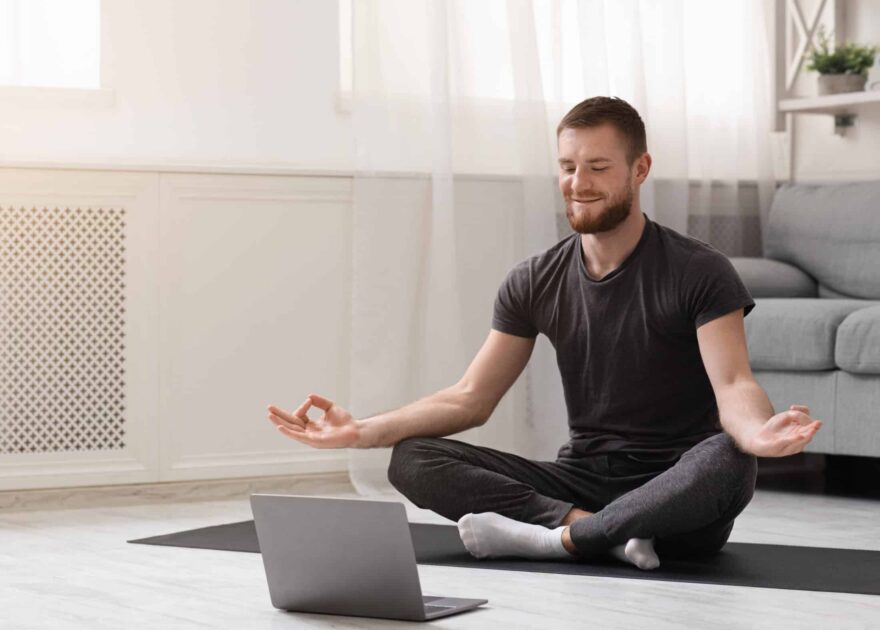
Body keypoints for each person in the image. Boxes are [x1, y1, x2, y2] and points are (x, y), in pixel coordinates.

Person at [266, 96, 822, 571]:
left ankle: (556, 540)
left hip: (672, 490)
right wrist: (362, 429)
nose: (579, 184)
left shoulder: (699, 270)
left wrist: (756, 434)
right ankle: (591, 532)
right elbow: (470, 398)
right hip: (578, 478)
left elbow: (732, 385)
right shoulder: (533, 279)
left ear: (640, 169)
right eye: (568, 166)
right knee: (411, 458)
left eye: (599, 167)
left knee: (728, 460)